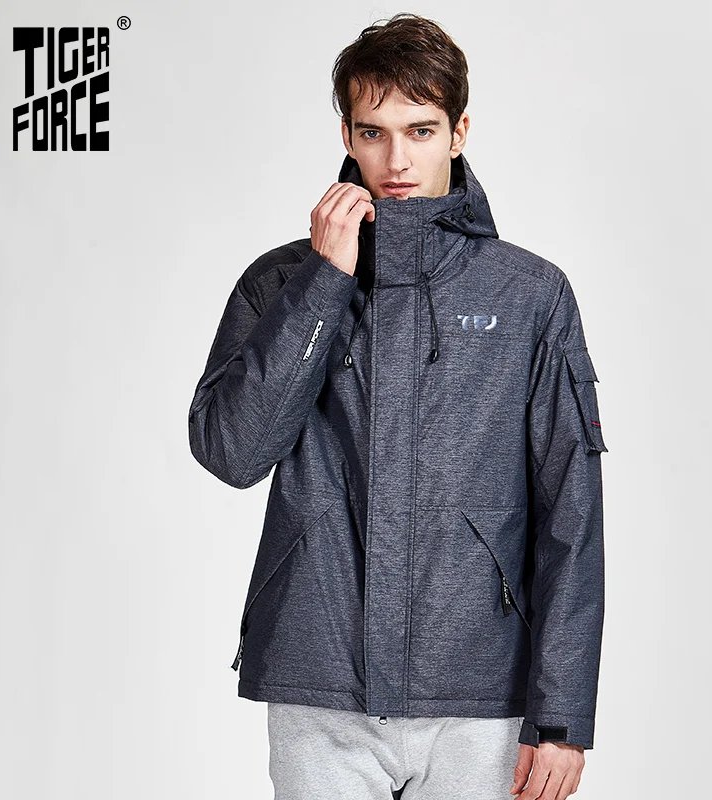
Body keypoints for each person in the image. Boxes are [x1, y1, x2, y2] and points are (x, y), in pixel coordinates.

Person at [188, 12, 607, 800]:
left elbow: (570, 514)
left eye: (421, 130)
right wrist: (324, 283)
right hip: (319, 679)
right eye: (373, 133)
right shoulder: (281, 284)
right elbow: (233, 453)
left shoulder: (529, 295)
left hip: (479, 690)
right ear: (346, 135)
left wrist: (561, 717)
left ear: (459, 131)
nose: (397, 159)